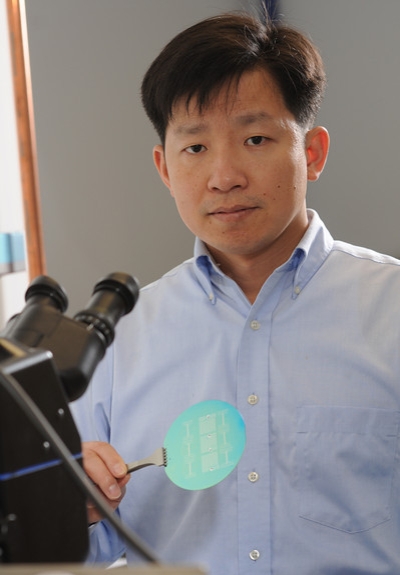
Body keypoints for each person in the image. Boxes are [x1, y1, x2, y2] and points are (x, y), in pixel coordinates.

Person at [70, 10, 400, 575]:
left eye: (255, 138)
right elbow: (82, 548)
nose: (224, 176)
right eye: (195, 148)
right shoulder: (116, 340)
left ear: (312, 152)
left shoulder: (391, 309)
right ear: (165, 168)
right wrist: (73, 512)